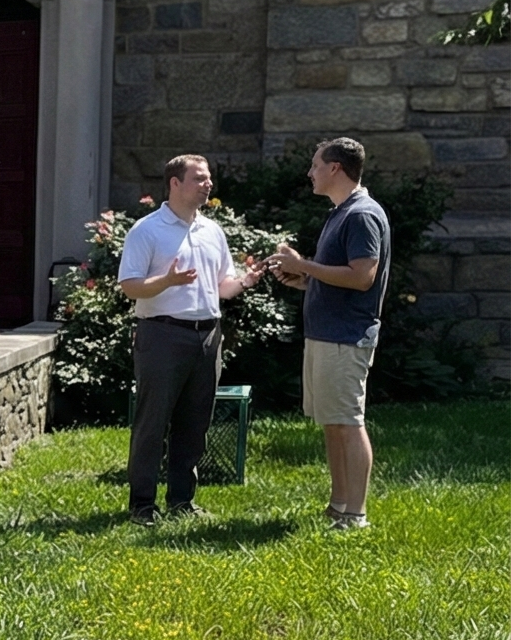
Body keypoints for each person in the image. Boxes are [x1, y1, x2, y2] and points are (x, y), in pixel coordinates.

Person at [117, 154, 266, 524]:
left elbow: (222, 287)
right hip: (162, 334)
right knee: (153, 422)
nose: (208, 184)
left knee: (195, 422)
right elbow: (129, 287)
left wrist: (246, 280)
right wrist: (166, 281)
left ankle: (182, 501)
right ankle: (142, 505)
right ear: (175, 183)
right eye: (199, 178)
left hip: (207, 337)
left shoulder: (212, 231)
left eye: (209, 178)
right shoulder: (147, 231)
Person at [269, 137, 390, 531]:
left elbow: (361, 277)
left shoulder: (361, 215)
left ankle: (356, 515)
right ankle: (339, 505)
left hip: (346, 336)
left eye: (316, 165)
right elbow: (338, 277)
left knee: (348, 422)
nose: (310, 172)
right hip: (326, 334)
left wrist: (303, 264)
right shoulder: (341, 212)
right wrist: (302, 279)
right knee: (333, 423)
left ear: (335, 168)